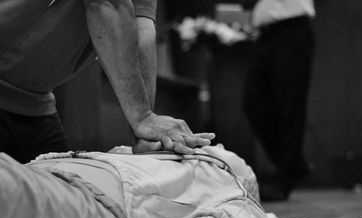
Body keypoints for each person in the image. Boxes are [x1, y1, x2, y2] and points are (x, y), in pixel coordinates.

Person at [0, 0, 214, 164]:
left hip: (33, 104)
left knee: (65, 213)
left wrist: (141, 136)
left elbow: (141, 29)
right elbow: (106, 3)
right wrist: (142, 118)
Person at [0, 145, 271, 218]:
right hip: (44, 172)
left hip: (93, 201)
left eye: (222, 149)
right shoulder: (158, 156)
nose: (215, 144)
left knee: (11, 194)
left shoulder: (227, 184)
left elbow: (252, 215)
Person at [241, 0, 315, 201]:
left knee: (289, 105)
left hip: (292, 27)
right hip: (264, 33)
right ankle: (292, 165)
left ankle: (287, 174)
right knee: (253, 102)